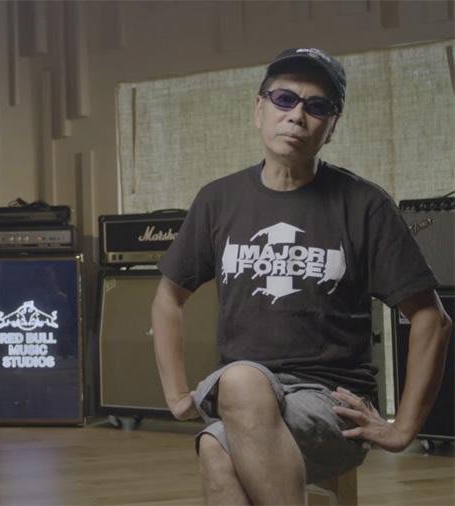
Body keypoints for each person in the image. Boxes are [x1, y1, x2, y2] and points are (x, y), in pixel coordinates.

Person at [151, 47, 451, 505]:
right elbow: (168, 298)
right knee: (229, 414)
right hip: (244, 396)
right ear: (259, 109)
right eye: (284, 99)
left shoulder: (365, 205)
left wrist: (403, 428)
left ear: (332, 126)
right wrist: (175, 392)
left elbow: (432, 319)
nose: (296, 115)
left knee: (222, 426)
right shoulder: (218, 200)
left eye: (317, 106)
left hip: (330, 401)